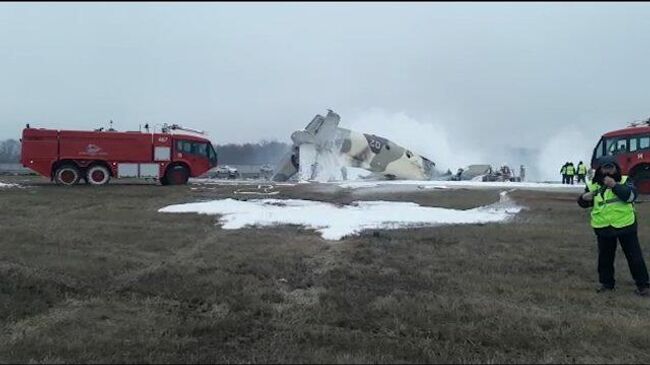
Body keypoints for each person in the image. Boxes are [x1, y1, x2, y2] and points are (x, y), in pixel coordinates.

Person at [577, 155, 650, 296]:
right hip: (603, 227)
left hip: (625, 225)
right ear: (600, 169)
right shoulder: (593, 185)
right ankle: (607, 284)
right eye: (605, 168)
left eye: (611, 167)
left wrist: (614, 186)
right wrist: (583, 198)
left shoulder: (625, 180)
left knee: (634, 257)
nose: (608, 171)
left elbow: (631, 197)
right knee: (605, 258)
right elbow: (584, 203)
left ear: (617, 168)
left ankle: (643, 286)